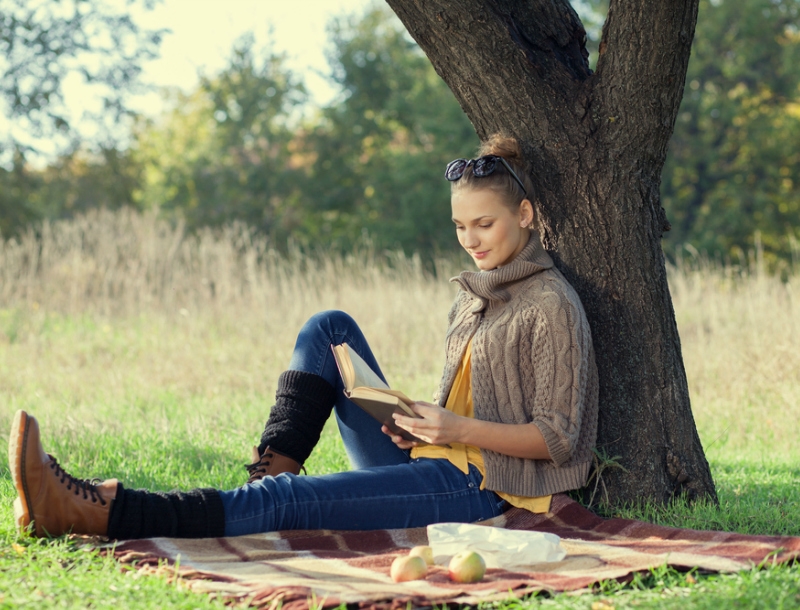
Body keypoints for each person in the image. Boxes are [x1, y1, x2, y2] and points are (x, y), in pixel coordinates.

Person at [8, 135, 599, 540]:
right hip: (438, 454)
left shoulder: (551, 305)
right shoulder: (477, 293)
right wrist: (412, 420)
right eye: (459, 226)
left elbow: (559, 437)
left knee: (294, 503)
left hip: (484, 489)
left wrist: (454, 430)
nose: (470, 239)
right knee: (328, 329)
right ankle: (263, 482)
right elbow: (474, 405)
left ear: (524, 214)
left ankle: (97, 510)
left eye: (484, 224)